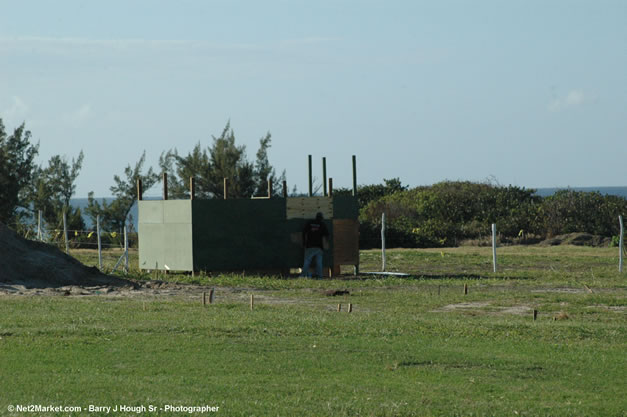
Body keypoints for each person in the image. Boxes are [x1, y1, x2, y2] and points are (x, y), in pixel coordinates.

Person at [301, 212, 329, 278]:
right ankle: (319, 276)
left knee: (307, 261)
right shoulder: (322, 224)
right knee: (319, 262)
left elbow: (304, 232)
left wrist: (304, 242)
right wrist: (326, 243)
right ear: (321, 218)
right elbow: (327, 235)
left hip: (309, 245)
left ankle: (303, 275)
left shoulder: (310, 223)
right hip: (319, 246)